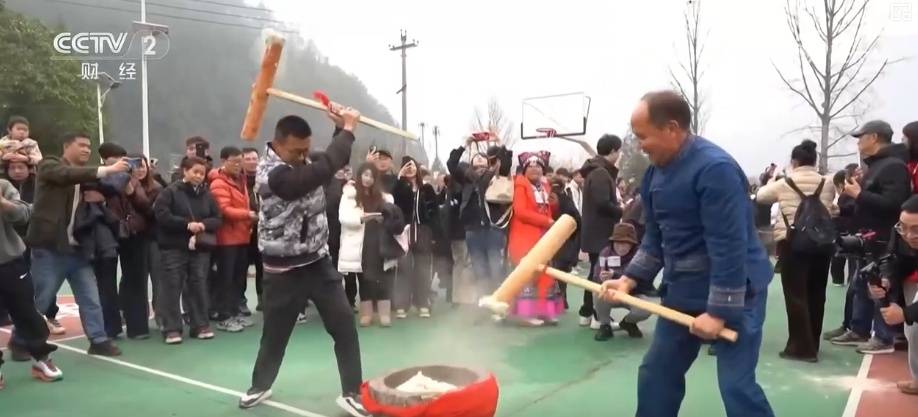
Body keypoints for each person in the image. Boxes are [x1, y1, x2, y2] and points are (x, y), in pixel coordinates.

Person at [601, 91, 774, 417]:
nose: (640, 146)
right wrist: (628, 279)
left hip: (738, 290)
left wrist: (719, 311)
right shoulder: (654, 174)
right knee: (657, 374)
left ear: (671, 128)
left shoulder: (715, 169)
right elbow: (655, 238)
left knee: (736, 386)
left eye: (643, 136)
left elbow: (729, 245)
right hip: (683, 289)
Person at [241, 105, 370, 417]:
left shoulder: (302, 162)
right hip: (282, 270)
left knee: (344, 326)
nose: (303, 156)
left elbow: (330, 162)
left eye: (306, 150)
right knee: (275, 335)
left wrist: (339, 129)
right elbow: (320, 171)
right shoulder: (271, 175)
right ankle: (260, 385)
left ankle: (352, 392)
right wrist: (348, 131)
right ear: (278, 144)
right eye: (296, 151)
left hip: (318, 263)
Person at [21, 132, 130, 356]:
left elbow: (115, 185)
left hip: (78, 249)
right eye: (81, 145)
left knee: (90, 298)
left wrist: (116, 178)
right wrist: (107, 169)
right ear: (67, 146)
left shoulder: (86, 175)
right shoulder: (49, 165)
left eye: (89, 146)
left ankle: (98, 340)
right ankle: (20, 340)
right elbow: (66, 174)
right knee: (41, 300)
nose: (86, 149)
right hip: (49, 248)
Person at [830, 120, 912, 354]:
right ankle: (860, 330)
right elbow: (866, 203)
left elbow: (896, 204)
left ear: (874, 137)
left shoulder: (894, 166)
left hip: (884, 239)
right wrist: (842, 210)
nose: (858, 142)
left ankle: (884, 337)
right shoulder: (874, 166)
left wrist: (859, 194)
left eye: (861, 137)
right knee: (861, 286)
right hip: (867, 238)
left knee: (880, 287)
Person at [755, 139, 838, 362]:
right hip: (821, 243)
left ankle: (801, 347)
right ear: (814, 160)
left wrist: (774, 178)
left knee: (796, 295)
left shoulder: (785, 183)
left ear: (794, 161)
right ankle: (813, 342)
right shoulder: (827, 183)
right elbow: (832, 207)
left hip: (793, 243)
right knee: (817, 293)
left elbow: (761, 196)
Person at [0, 178, 63, 389]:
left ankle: (41, 359)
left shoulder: (3, 186)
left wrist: (3, 203)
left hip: (11, 263)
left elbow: (24, 214)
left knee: (27, 312)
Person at [153, 156, 222, 344]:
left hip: (199, 248)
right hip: (173, 247)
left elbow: (218, 218)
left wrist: (203, 225)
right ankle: (171, 329)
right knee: (172, 286)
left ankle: (200, 325)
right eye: (195, 172)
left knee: (198, 285)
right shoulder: (170, 192)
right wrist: (186, 224)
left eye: (202, 173)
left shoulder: (207, 195)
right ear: (185, 171)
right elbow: (162, 215)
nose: (199, 176)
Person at [446, 140, 513, 299]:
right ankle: (484, 301)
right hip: (473, 230)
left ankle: (499, 300)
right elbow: (452, 163)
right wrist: (465, 144)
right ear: (471, 163)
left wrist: (500, 143)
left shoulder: (494, 176)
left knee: (495, 268)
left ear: (488, 161)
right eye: (476, 157)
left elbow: (506, 163)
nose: (479, 159)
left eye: (482, 157)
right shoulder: (466, 178)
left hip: (493, 229)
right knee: (479, 269)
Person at [339, 163, 399, 327]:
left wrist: (384, 219)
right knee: (364, 279)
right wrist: (362, 218)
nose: (368, 179)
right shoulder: (349, 196)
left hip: (381, 241)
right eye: (365, 175)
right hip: (360, 242)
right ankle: (366, 314)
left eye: (371, 176)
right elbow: (343, 217)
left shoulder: (385, 198)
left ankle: (384, 314)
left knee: (384, 278)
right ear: (359, 176)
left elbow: (394, 217)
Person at [507, 152, 562, 326]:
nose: (535, 169)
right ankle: (525, 314)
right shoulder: (520, 185)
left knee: (545, 274)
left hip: (543, 237)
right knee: (527, 275)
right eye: (530, 166)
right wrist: (547, 221)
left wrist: (553, 204)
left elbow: (547, 211)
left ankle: (546, 311)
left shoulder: (544, 186)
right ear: (524, 170)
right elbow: (520, 212)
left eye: (538, 166)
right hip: (524, 237)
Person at [870, 195, 918, 395]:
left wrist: (905, 313)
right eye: (903, 227)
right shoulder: (901, 232)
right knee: (913, 329)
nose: (908, 235)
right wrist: (886, 280)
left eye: (916, 229)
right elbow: (892, 258)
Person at [209, 146, 256, 333]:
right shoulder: (218, 183)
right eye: (234, 162)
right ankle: (224, 316)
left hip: (242, 236)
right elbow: (224, 209)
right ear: (223, 161)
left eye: (240, 161)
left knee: (238, 278)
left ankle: (235, 313)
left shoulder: (241, 180)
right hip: (226, 239)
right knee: (225, 279)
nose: (238, 165)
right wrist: (248, 215)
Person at [580, 134, 624, 328]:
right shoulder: (600, 173)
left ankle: (587, 312)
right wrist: (621, 211)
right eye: (619, 151)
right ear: (613, 151)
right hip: (600, 232)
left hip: (595, 231)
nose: (620, 155)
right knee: (601, 273)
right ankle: (599, 316)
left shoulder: (596, 171)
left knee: (595, 271)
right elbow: (603, 202)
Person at [393, 156, 438, 319]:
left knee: (423, 268)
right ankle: (402, 304)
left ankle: (422, 302)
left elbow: (434, 214)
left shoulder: (427, 189)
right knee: (403, 268)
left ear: (417, 168)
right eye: (406, 166)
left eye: (412, 165)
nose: (410, 168)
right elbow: (394, 202)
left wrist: (434, 234)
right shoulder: (400, 187)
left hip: (423, 230)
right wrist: (400, 179)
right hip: (404, 230)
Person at [592, 223, 651, 341]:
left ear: (632, 244)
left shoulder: (639, 255)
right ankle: (605, 325)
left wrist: (615, 275)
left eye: (625, 243)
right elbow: (596, 275)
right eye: (618, 243)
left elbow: (641, 278)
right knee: (597, 293)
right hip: (612, 293)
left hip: (635, 293)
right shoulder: (605, 253)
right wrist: (601, 278)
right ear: (613, 242)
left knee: (647, 309)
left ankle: (628, 323)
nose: (621, 247)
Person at [127, 155, 162, 331]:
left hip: (153, 238)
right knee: (135, 281)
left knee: (158, 279)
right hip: (131, 238)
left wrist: (133, 194)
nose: (139, 170)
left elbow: (152, 213)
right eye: (135, 166)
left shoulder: (157, 188)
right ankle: (136, 318)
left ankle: (162, 317)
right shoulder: (122, 185)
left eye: (142, 166)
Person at [550, 175, 581, 310]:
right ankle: (562, 300)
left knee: (554, 273)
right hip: (566, 241)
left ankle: (558, 301)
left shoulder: (549, 198)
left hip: (553, 240)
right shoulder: (567, 199)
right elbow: (577, 220)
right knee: (561, 274)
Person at [242, 147, 263, 312]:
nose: (251, 162)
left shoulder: (264, 178)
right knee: (241, 268)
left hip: (263, 230)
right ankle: (241, 302)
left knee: (263, 266)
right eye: (248, 159)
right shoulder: (237, 180)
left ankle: (263, 299)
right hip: (243, 229)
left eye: (254, 158)